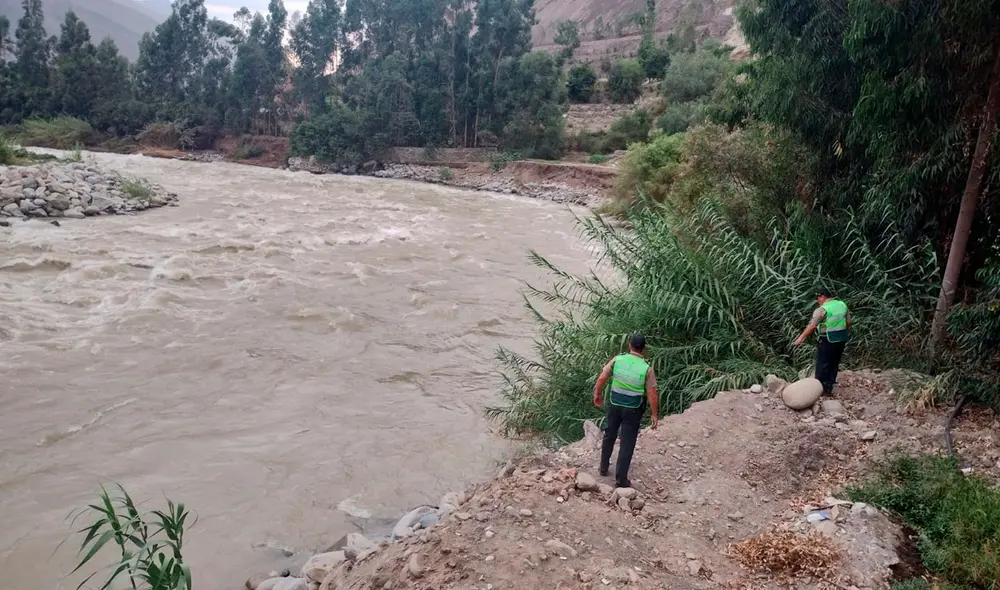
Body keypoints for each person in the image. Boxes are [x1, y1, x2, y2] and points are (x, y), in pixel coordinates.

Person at [593, 333, 659, 489]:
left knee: (609, 434)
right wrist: (655, 414)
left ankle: (603, 468)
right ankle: (621, 480)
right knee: (627, 443)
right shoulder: (646, 369)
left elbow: (602, 377)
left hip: (615, 404)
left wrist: (597, 393)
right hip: (633, 409)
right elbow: (652, 394)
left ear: (629, 345)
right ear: (644, 349)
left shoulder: (618, 360)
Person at [793, 289, 851, 396]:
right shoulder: (842, 305)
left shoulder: (822, 310)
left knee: (823, 364)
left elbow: (812, 326)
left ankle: (819, 390)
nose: (817, 301)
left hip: (827, 340)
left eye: (818, 298)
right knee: (834, 363)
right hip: (841, 339)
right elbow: (848, 322)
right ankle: (829, 388)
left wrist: (801, 338)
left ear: (823, 297)